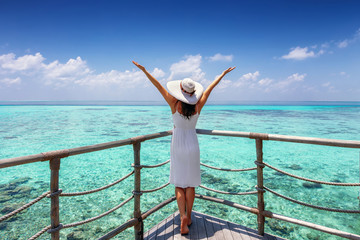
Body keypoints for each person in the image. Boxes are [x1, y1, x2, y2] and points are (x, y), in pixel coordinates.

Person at [133, 60, 235, 235]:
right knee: (191, 185)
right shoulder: (198, 105)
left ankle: (182, 218)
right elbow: (210, 87)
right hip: (192, 143)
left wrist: (144, 70)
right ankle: (188, 215)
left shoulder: (173, 103)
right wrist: (223, 75)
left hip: (178, 144)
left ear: (180, 91)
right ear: (193, 92)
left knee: (179, 184)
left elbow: (158, 85)